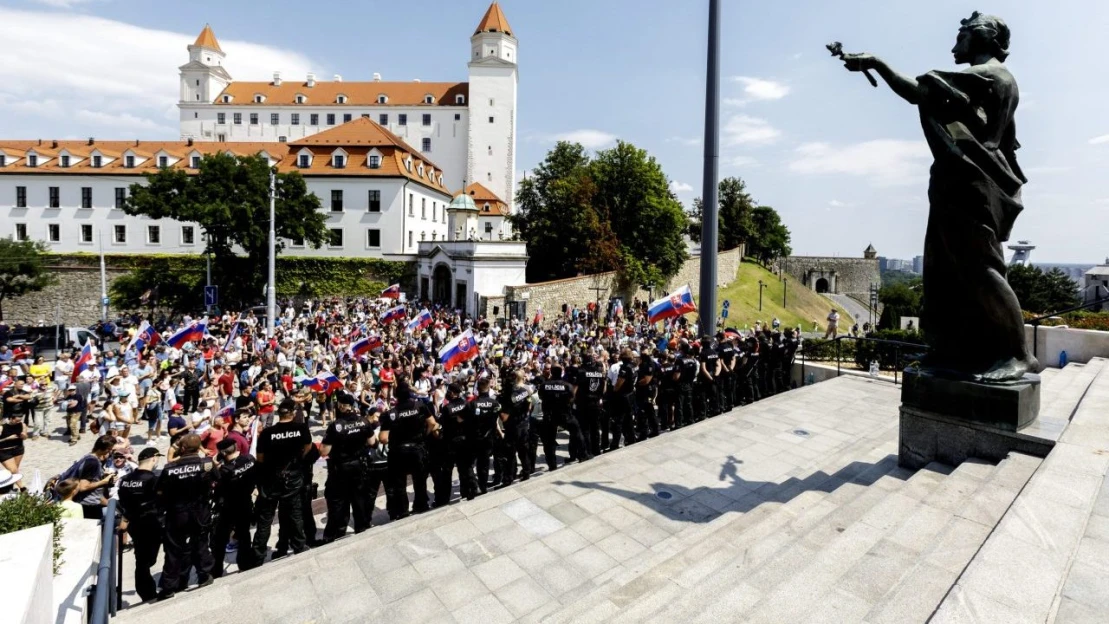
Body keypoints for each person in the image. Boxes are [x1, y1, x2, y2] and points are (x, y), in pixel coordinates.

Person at [244, 398, 312, 569]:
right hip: (293, 477)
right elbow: (308, 448)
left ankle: (257, 555)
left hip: (271, 478)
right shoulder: (301, 428)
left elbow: (260, 458)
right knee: (295, 513)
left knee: (265, 518)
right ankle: (299, 545)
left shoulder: (267, 433)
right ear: (293, 413)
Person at [155, 434, 218, 599]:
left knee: (173, 550)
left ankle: (169, 587)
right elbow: (217, 480)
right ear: (198, 448)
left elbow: (160, 493)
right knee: (201, 543)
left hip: (177, 513)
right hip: (201, 511)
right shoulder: (207, 464)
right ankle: (204, 574)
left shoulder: (169, 469)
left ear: (182, 449)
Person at [379, 383, 438, 518]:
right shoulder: (420, 406)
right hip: (417, 448)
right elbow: (433, 423)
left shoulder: (392, 414)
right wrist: (424, 436)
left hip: (399, 452)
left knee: (399, 483)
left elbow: (383, 438)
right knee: (420, 479)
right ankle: (421, 505)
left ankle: (403, 510)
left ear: (396, 396)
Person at [321, 393, 372, 541]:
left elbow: (324, 451)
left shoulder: (335, 426)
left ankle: (335, 533)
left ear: (341, 406)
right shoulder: (363, 421)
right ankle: (361, 527)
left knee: (338, 502)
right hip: (359, 466)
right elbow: (373, 442)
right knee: (359, 499)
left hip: (340, 469)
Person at [117, 447, 164, 602]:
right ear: (154, 459)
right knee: (150, 558)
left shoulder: (125, 480)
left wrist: (126, 518)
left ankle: (146, 592)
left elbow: (122, 502)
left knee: (142, 560)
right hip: (152, 522)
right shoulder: (154, 479)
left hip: (134, 523)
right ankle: (158, 587)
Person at [211, 438, 256, 578]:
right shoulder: (249, 459)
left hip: (228, 507)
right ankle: (245, 564)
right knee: (244, 535)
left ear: (222, 453)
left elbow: (217, 488)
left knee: (219, 540)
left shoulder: (224, 470)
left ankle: (216, 570)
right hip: (246, 502)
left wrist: (214, 466)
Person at [538, 365, 590, 470]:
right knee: (577, 432)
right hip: (565, 414)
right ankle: (583, 455)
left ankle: (552, 465)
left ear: (552, 372)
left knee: (549, 441)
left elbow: (541, 397)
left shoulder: (544, 385)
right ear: (561, 372)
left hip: (550, 415)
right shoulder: (567, 386)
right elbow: (571, 398)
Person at [497, 370, 533, 485]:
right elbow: (529, 406)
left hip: (512, 427)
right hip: (523, 424)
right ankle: (526, 472)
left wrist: (498, 408)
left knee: (510, 454)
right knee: (523, 451)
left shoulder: (506, 397)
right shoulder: (525, 391)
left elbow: (504, 418)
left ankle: (509, 477)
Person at [466, 377, 500, 496]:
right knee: (484, 464)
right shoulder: (495, 403)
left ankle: (474, 486)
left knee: (469, 463)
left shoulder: (472, 404)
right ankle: (483, 486)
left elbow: (467, 422)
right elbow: (496, 419)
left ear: (477, 389)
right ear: (489, 388)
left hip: (475, 438)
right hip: (489, 438)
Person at [573, 354, 607, 457]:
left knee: (585, 429)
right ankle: (596, 450)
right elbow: (604, 389)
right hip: (596, 404)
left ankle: (587, 451)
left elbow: (575, 390)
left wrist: (573, 401)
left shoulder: (580, 371)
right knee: (595, 428)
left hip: (583, 404)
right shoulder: (599, 372)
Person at [0, 411, 28, 490]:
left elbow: (25, 437)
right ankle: (23, 488)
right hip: (4, 451)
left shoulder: (22, 425)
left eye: (20, 420)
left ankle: (10, 487)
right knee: (13, 470)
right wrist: (7, 438)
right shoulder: (2, 427)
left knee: (14, 470)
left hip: (18, 449)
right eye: (17, 420)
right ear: (11, 419)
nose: (19, 422)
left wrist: (24, 435)